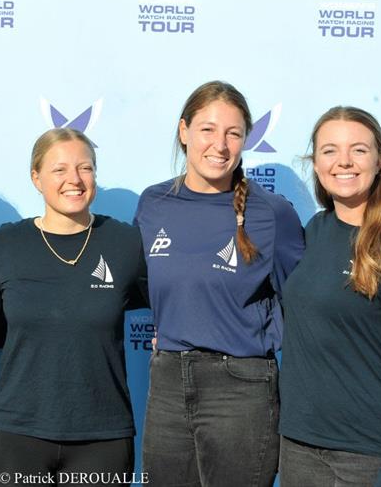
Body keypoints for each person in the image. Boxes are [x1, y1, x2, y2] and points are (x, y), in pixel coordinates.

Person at [133, 81, 304, 487]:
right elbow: (146, 282)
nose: (220, 144)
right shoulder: (153, 204)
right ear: (184, 131)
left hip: (241, 388)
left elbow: (303, 300)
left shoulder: (272, 214)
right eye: (208, 129)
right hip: (169, 381)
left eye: (233, 133)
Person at [278, 106, 381, 486]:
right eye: (330, 150)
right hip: (299, 449)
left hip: (367, 456)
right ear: (315, 163)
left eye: (359, 150)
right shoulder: (312, 232)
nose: (344, 161)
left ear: (380, 161)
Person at [0, 128, 147, 487]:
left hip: (102, 436)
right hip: (16, 433)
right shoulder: (6, 244)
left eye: (85, 168)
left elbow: (169, 302)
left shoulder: (125, 243)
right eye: (59, 170)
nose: (74, 179)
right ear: (36, 177)